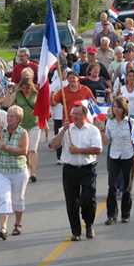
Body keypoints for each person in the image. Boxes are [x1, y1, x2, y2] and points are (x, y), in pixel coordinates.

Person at [49, 102, 102, 241]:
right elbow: (53, 146)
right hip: (70, 169)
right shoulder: (67, 129)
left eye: (78, 114)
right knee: (71, 202)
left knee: (88, 199)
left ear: (84, 115)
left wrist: (79, 150)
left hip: (87, 169)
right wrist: (62, 131)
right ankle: (76, 231)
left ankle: (89, 224)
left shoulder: (92, 130)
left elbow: (98, 149)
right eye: (73, 114)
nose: (75, 117)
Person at [0, 105, 30, 240]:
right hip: (2, 171)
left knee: (18, 199)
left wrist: (6, 148)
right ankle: (3, 227)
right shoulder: (2, 131)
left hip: (18, 170)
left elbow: (23, 151)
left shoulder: (23, 133)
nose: (9, 118)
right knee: (4, 199)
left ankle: (17, 224)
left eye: (12, 116)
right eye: (8, 116)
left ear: (18, 119)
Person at [99, 97, 134, 225]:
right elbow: (106, 142)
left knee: (127, 187)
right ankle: (111, 215)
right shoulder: (110, 122)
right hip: (114, 156)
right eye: (114, 107)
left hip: (128, 155)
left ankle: (125, 214)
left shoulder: (131, 122)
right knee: (112, 187)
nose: (115, 110)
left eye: (118, 107)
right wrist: (101, 131)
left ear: (123, 109)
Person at [4, 74, 40, 182]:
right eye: (24, 87)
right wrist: (12, 92)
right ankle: (27, 169)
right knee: (25, 150)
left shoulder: (36, 93)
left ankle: (33, 172)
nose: (26, 90)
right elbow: (7, 104)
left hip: (34, 124)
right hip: (21, 126)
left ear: (31, 86)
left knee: (32, 149)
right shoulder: (18, 94)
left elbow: (42, 107)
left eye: (28, 87)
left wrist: (44, 121)